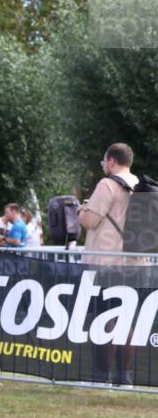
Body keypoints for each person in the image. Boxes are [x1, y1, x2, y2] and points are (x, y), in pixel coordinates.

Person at [78, 143, 140, 386]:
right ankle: (125, 376)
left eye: (105, 162)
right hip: (134, 262)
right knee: (127, 319)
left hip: (106, 261)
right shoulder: (139, 185)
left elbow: (90, 221)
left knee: (103, 318)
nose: (104, 166)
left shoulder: (107, 184)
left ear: (112, 161)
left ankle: (101, 375)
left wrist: (82, 209)